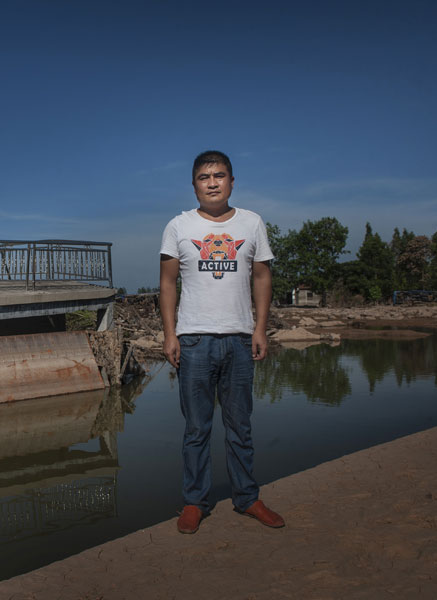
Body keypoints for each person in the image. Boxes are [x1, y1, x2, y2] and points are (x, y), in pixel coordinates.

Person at [159, 150, 284, 534]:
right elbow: (167, 283)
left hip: (239, 340)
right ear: (194, 184)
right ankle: (194, 502)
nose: (212, 183)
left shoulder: (252, 222)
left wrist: (259, 329)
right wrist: (170, 334)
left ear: (231, 181)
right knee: (197, 429)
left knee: (240, 427)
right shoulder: (178, 226)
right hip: (194, 341)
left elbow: (261, 277)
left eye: (219, 175)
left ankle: (247, 497)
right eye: (204, 177)